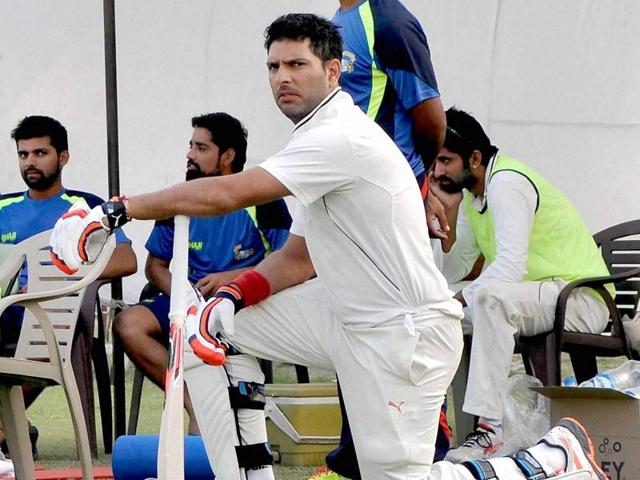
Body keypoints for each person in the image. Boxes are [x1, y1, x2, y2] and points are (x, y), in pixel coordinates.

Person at [50, 14, 607, 480]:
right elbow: (299, 257)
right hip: (344, 316)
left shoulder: (339, 135)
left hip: (403, 333)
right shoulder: (313, 138)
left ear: (334, 71)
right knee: (209, 326)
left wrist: (117, 209)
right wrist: (235, 295)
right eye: (274, 67)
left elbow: (227, 193)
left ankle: (548, 460)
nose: (282, 78)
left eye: (298, 65)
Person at [430, 108, 611, 464]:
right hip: (541, 297)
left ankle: (490, 430)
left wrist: (461, 296)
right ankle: (462, 431)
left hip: (581, 300)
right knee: (441, 311)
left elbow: (510, 268)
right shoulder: (474, 196)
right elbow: (453, 269)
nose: (437, 172)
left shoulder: (507, 183)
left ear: (475, 159)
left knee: (488, 300)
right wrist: (445, 212)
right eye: (435, 162)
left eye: (446, 161)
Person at [112, 112, 291, 442]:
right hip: (187, 304)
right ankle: (195, 402)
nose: (190, 154)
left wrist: (233, 279)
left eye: (201, 147)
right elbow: (155, 267)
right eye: (191, 145)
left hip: (244, 305)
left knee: (218, 337)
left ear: (228, 156)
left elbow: (287, 263)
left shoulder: (263, 200)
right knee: (127, 324)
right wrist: (186, 296)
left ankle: (223, 419)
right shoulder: (180, 199)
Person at [329, 1, 450, 475]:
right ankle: (357, 458)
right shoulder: (338, 20)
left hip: (387, 206)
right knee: (353, 325)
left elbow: (431, 120)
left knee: (402, 334)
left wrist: (417, 187)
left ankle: (431, 455)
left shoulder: (389, 21)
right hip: (348, 204)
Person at [0, 115, 137, 458]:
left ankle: (6, 428)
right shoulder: (3, 207)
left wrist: (63, 276)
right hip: (5, 310)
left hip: (55, 313)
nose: (30, 162)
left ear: (63, 157)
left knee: (51, 321)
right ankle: (13, 428)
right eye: (23, 154)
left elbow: (126, 259)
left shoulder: (85, 207)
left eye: (40, 153)